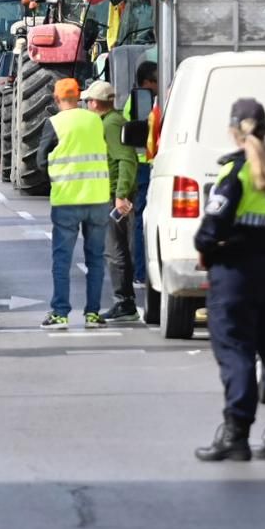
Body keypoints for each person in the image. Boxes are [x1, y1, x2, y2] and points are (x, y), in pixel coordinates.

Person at [193, 98, 265, 463]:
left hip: (234, 276)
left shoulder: (235, 174)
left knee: (236, 350)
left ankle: (235, 434)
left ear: (233, 131)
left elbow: (209, 231)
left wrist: (210, 247)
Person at [34, 79, 111, 330]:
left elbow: (40, 162)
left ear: (56, 100)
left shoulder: (54, 123)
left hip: (67, 199)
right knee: (96, 259)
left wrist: (56, 179)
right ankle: (92, 313)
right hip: (98, 198)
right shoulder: (95, 121)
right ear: (79, 97)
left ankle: (60, 312)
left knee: (62, 259)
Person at [83, 82, 138, 322]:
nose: (86, 105)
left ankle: (124, 302)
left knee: (115, 249)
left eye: (87, 101)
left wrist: (121, 194)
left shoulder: (112, 124)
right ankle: (124, 301)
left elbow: (126, 159)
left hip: (113, 195)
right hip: (108, 192)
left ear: (95, 103)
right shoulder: (108, 122)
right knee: (115, 249)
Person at [124, 61, 160, 286]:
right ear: (147, 82)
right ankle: (140, 271)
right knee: (142, 219)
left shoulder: (143, 100)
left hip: (147, 163)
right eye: (157, 80)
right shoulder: (141, 102)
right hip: (144, 165)